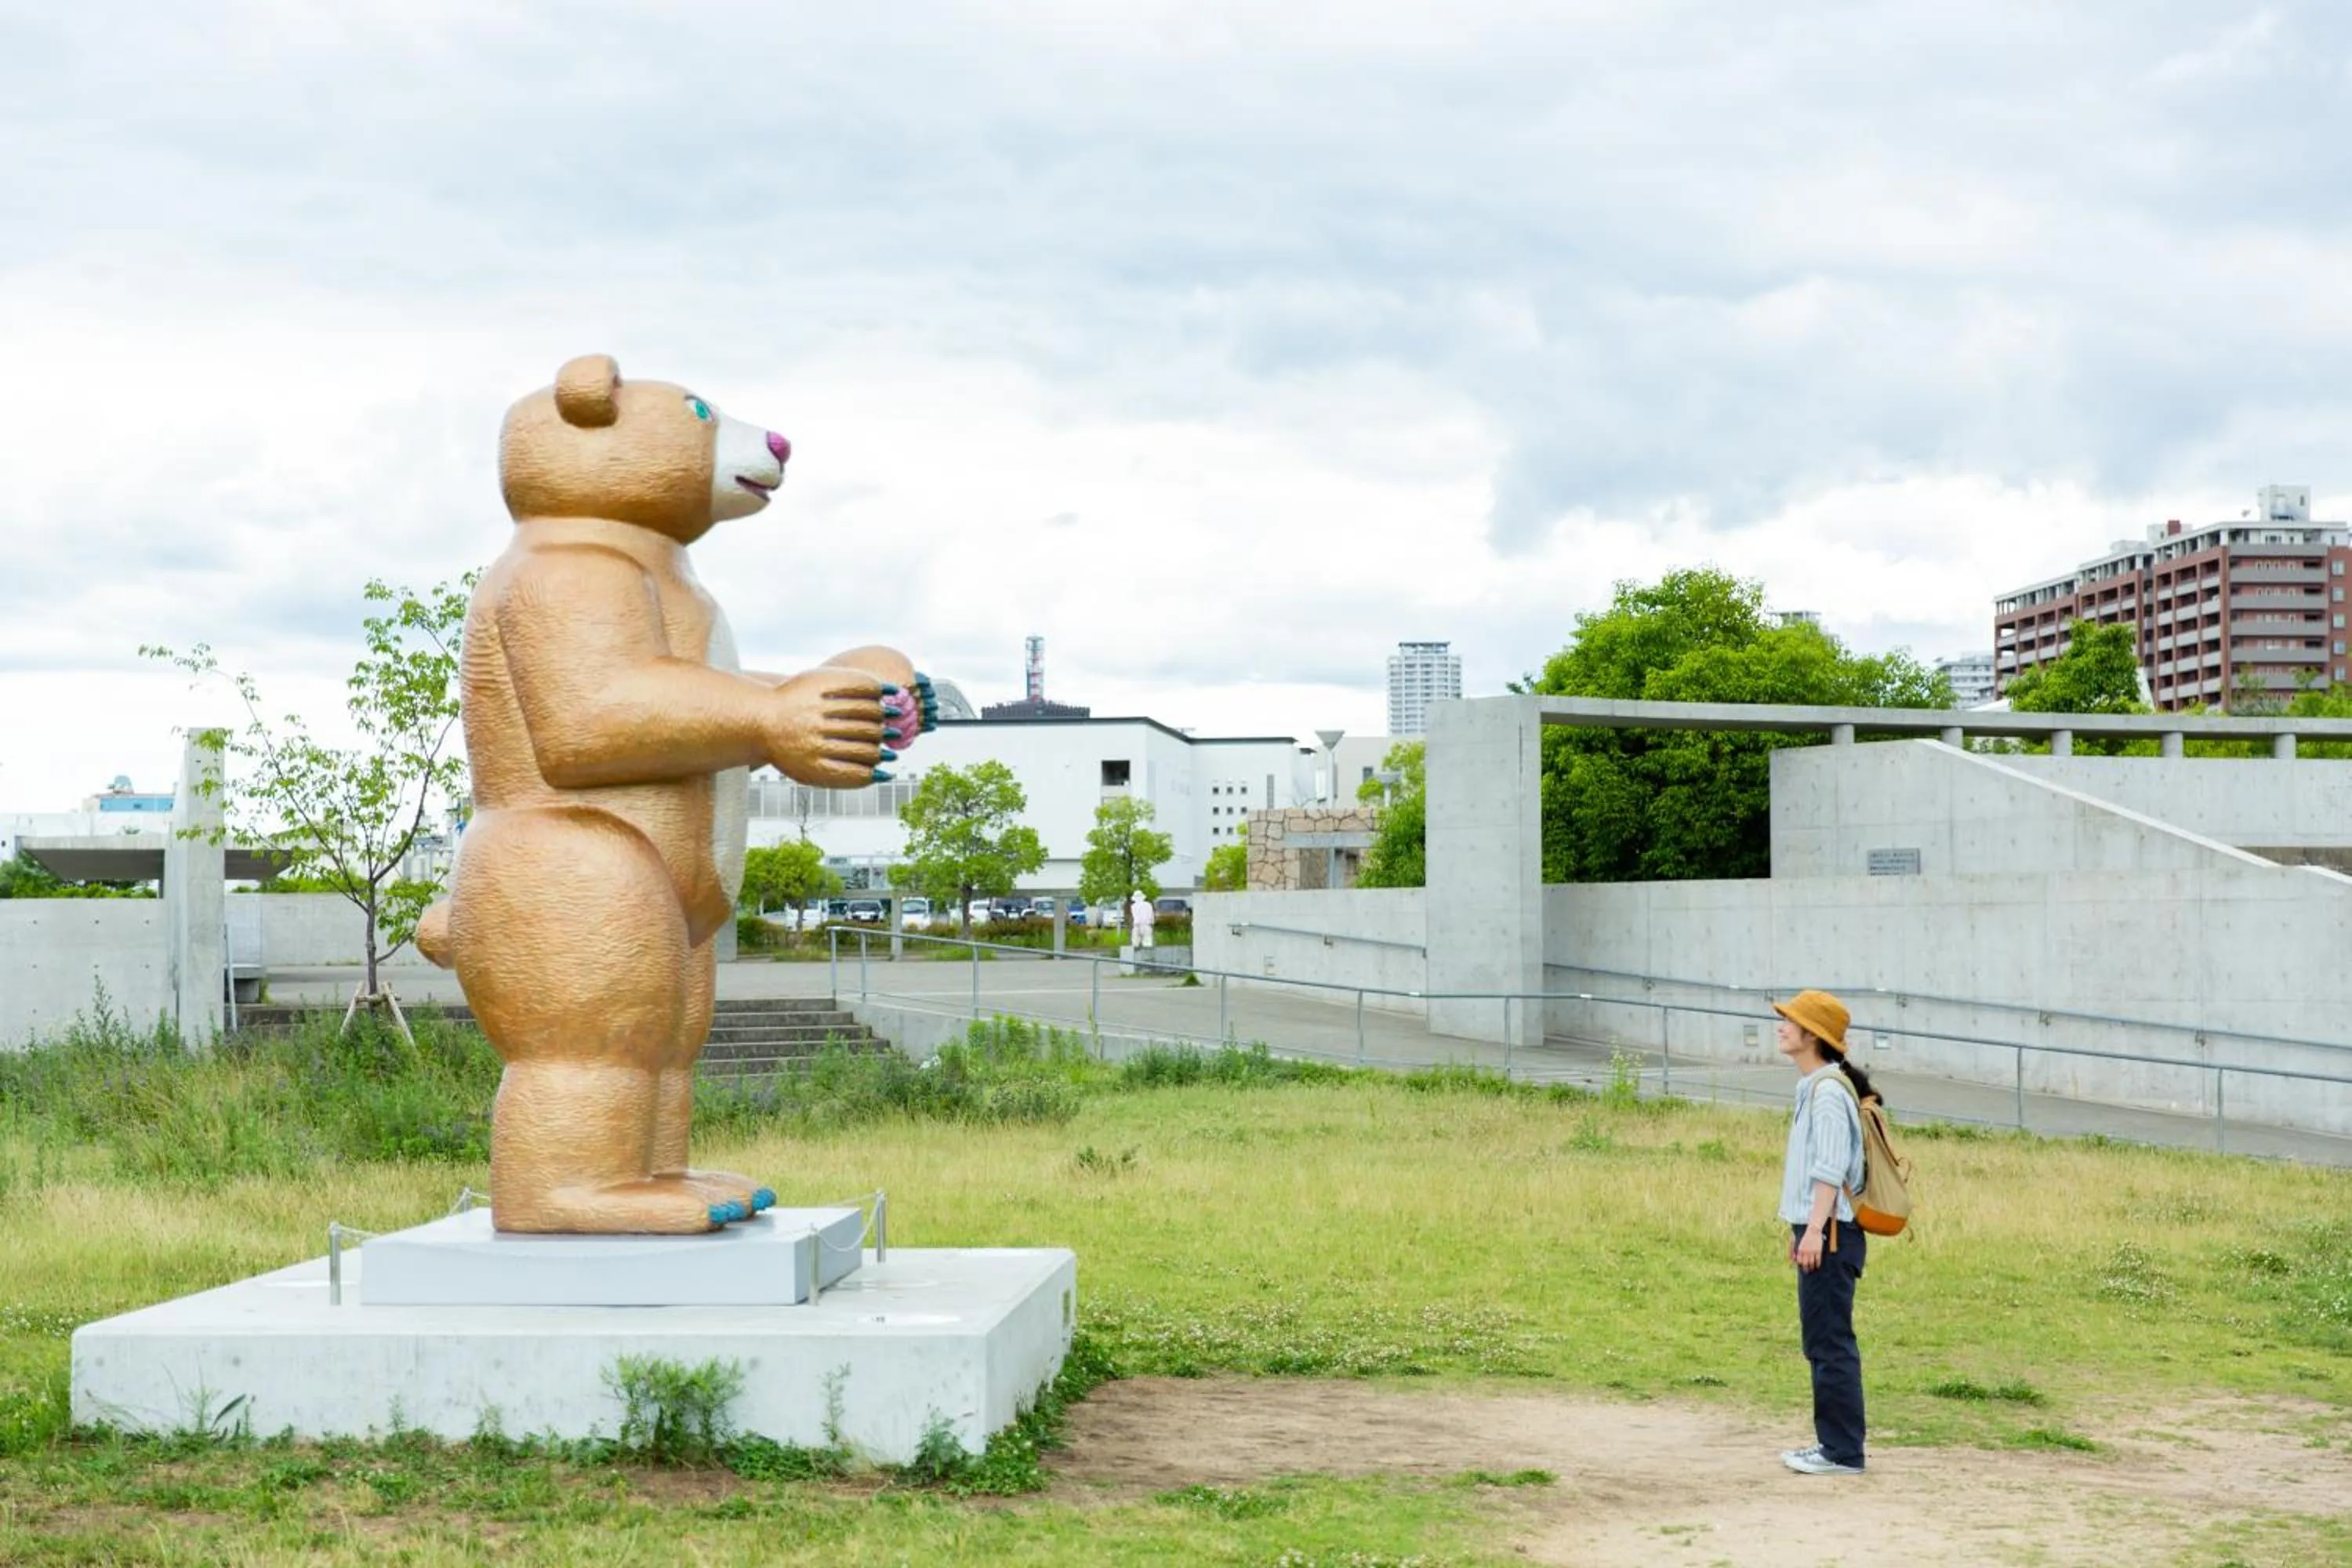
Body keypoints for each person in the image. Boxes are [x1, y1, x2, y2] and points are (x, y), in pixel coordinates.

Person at [1771, 988, 1875, 1476]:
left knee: (1830, 1341)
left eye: (1790, 1021)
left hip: (1831, 1232)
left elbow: (1830, 1168)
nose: (1781, 1027)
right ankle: (1834, 1445)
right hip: (1822, 1230)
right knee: (1823, 1339)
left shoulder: (1829, 1092)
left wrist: (1812, 1231)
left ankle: (1841, 1452)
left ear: (1813, 1034)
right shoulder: (1818, 1086)